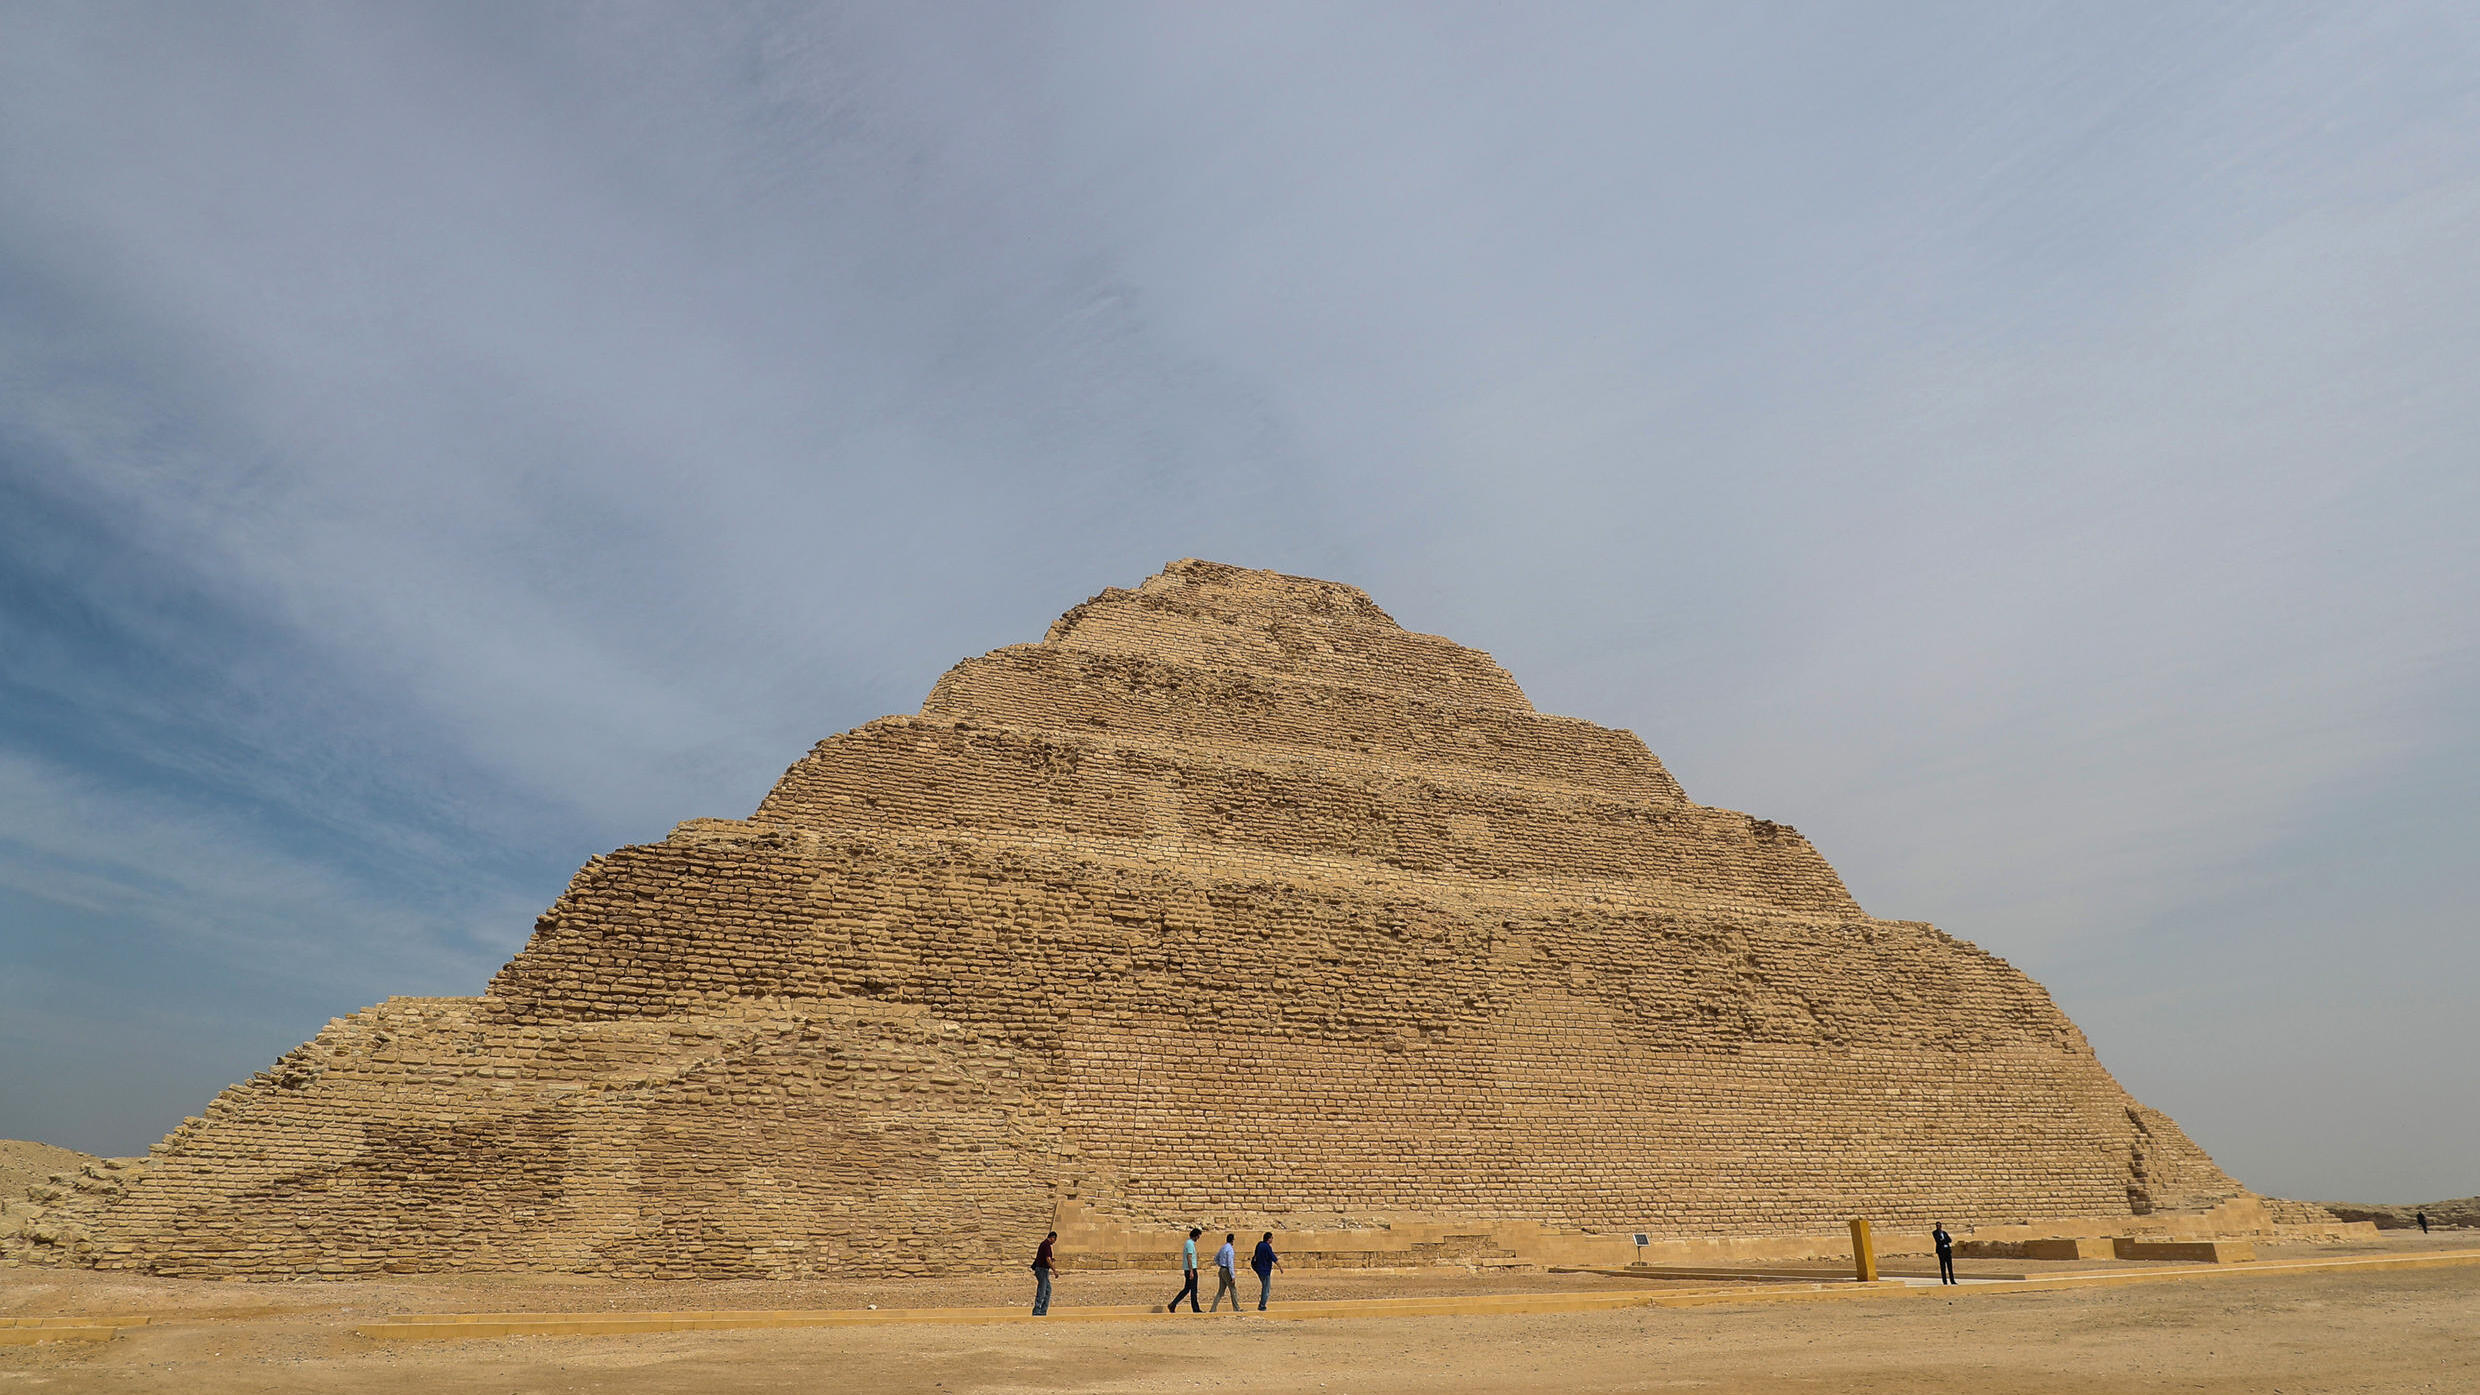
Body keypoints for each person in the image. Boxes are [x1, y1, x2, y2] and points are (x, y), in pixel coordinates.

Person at [1165, 1227, 1202, 1313]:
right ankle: (1195, 1309)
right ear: (1195, 1236)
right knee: (1193, 1290)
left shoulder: (1188, 1243)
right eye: (1198, 1236)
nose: (1198, 1239)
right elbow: (1189, 1257)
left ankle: (1172, 1304)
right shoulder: (1189, 1244)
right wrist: (1192, 1271)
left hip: (1188, 1269)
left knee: (1186, 1289)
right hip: (1191, 1270)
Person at [1209, 1232, 1242, 1311]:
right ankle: (1236, 1308)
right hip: (1226, 1270)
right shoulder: (1230, 1249)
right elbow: (1230, 1263)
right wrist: (1232, 1276)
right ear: (1232, 1240)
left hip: (1221, 1270)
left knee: (1220, 1291)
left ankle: (1213, 1309)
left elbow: (1216, 1258)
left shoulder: (1223, 1248)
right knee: (1233, 1289)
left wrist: (1221, 1264)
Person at [1251, 1231, 1283, 1310]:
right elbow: (1273, 1258)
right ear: (1269, 1239)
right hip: (1265, 1270)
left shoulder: (1259, 1244)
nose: (1272, 1239)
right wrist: (1280, 1267)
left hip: (1258, 1269)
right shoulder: (1267, 1247)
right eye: (1272, 1238)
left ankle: (1261, 1304)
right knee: (1266, 1289)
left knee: (1264, 1287)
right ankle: (1262, 1305)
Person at [1031, 1230, 1058, 1316]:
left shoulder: (1045, 1245)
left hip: (1043, 1270)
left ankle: (1043, 1311)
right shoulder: (1046, 1245)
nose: (1054, 1242)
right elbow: (1047, 1259)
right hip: (1042, 1270)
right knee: (1042, 1291)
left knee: (1048, 1290)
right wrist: (1054, 1270)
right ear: (1052, 1238)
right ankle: (1037, 1311)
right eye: (1054, 1240)